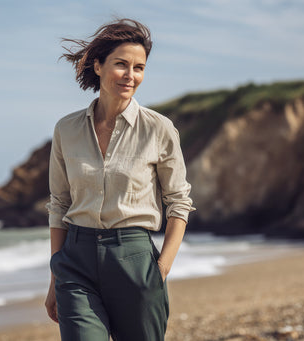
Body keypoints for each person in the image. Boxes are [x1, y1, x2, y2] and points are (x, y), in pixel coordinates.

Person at [45, 18, 195, 341]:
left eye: (139, 67)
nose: (131, 76)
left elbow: (179, 203)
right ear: (98, 65)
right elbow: (59, 204)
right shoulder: (66, 130)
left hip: (136, 260)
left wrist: (161, 269)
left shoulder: (159, 129)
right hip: (76, 262)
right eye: (121, 65)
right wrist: (55, 276)